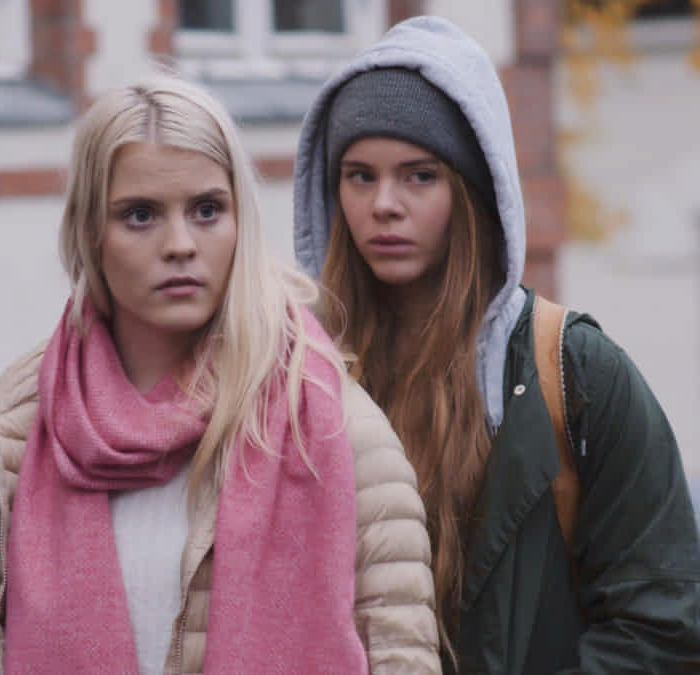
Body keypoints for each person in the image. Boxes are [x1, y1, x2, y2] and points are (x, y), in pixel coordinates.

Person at [0, 74, 439, 675]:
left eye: (206, 211)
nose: (180, 244)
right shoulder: (13, 430)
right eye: (140, 215)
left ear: (240, 221)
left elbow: (402, 658)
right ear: (90, 232)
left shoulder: (334, 428)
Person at [292, 15, 700, 674]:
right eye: (360, 175)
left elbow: (662, 626)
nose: (384, 203)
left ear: (473, 190)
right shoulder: (302, 375)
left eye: (419, 175)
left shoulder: (576, 373)